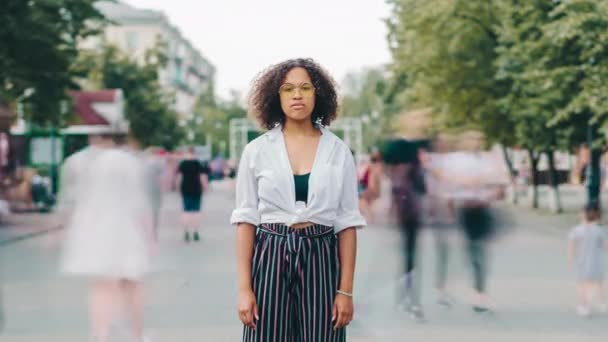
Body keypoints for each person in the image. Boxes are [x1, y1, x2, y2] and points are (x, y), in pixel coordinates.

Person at [232, 58, 365, 341]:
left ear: (318, 94)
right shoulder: (256, 151)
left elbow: (347, 223)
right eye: (287, 89)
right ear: (275, 96)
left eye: (305, 87)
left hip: (321, 252)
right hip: (270, 252)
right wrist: (245, 289)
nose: (297, 95)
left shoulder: (338, 151)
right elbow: (246, 220)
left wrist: (345, 291)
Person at [61, 131, 153, 342]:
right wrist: (149, 237)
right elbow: (140, 202)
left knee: (101, 285)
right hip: (127, 228)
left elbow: (70, 199)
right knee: (132, 283)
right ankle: (137, 335)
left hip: (93, 231)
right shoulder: (130, 162)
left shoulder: (77, 161)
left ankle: (100, 335)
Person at [568, 203, 607, 317]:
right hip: (596, 262)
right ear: (598, 216)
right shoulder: (600, 231)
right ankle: (601, 301)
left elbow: (572, 247)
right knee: (599, 283)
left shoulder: (576, 230)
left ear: (582, 215)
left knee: (582, 285)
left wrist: (571, 259)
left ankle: (583, 305)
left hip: (581, 262)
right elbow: (605, 246)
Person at [175, 147, 210, 242]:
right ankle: (195, 232)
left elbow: (178, 178)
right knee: (196, 212)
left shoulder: (182, 164)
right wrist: (206, 187)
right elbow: (203, 177)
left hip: (185, 189)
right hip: (196, 189)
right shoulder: (198, 163)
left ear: (187, 153)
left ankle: (186, 231)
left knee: (186, 211)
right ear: (194, 153)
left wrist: (178, 188)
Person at [359, 151, 382, 223]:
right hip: (375, 187)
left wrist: (370, 187)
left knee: (364, 200)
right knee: (368, 202)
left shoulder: (371, 166)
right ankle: (371, 216)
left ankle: (370, 216)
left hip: (371, 186)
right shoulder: (379, 166)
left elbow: (371, 178)